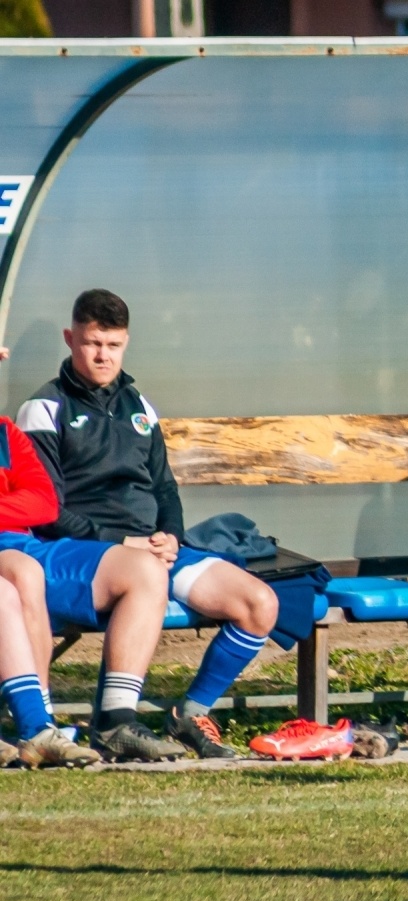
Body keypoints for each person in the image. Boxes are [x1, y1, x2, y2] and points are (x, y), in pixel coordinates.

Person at [19, 289, 279, 760]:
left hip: (150, 550)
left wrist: (171, 537)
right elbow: (48, 511)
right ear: (70, 338)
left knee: (259, 602)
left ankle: (188, 715)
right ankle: (116, 721)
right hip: (87, 552)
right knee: (146, 573)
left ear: (126, 343)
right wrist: (127, 543)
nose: (102, 355)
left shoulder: (140, 406)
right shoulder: (43, 407)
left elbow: (165, 488)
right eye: (92, 343)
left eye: (113, 345)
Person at [0, 413, 102, 767]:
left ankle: (39, 726)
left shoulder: (3, 430)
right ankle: (36, 725)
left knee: (25, 573)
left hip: (11, 543)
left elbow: (43, 502)